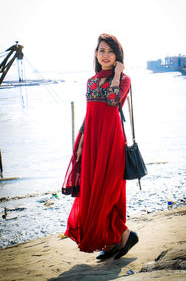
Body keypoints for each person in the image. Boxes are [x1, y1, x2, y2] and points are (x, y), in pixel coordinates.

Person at [62, 33, 138, 260]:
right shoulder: (91, 81)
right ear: (96, 54)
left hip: (112, 142)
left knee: (107, 192)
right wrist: (81, 141)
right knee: (92, 191)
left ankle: (124, 234)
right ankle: (115, 240)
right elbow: (90, 112)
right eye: (101, 50)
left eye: (110, 51)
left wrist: (116, 74)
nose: (105, 55)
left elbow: (114, 101)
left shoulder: (124, 79)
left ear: (117, 56)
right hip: (92, 141)